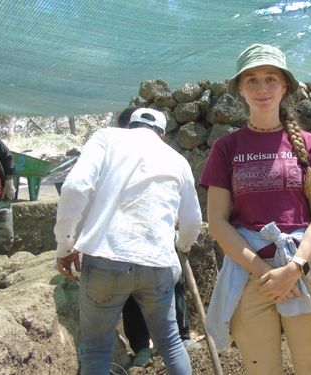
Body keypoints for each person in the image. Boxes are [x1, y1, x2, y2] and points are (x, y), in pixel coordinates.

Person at [200, 43, 311, 375]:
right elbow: (217, 221)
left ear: (285, 85)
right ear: (241, 90)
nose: (262, 88)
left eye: (270, 79)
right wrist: (264, 273)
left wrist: (295, 268)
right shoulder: (226, 148)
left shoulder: (310, 144)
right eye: (252, 81)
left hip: (305, 269)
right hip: (251, 276)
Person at [54, 108, 202, 375]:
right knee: (170, 342)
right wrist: (182, 247)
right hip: (157, 263)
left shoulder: (106, 138)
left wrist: (65, 245)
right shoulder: (176, 159)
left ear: (129, 126)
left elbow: (75, 187)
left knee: (97, 349)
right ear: (163, 135)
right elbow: (192, 221)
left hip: (104, 258)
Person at [114, 106, 197, 367]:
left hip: (153, 238)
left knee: (173, 285)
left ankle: (176, 338)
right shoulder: (117, 157)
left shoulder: (166, 158)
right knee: (135, 293)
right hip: (129, 240)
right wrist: (184, 240)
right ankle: (145, 345)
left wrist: (180, 240)